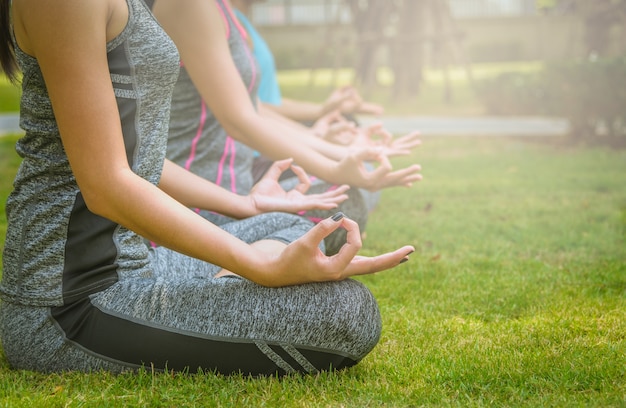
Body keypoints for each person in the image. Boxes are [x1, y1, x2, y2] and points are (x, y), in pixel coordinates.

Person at [0, 0, 414, 375]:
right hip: (68, 302)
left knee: (304, 219)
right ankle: (235, 280)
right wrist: (261, 268)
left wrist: (246, 204)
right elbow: (107, 184)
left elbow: (136, 157)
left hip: (137, 263)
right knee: (350, 313)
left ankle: (229, 281)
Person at [153, 0, 422, 254]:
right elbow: (240, 121)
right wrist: (333, 165)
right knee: (340, 209)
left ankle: (256, 257)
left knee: (342, 200)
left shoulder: (224, 11)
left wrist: (341, 154)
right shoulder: (190, 5)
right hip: (198, 209)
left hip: (238, 194)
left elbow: (255, 110)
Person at [232, 0, 385, 124]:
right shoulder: (234, 28)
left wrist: (331, 107)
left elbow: (269, 101)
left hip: (270, 126)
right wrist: (321, 112)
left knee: (345, 121)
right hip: (260, 142)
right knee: (344, 124)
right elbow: (253, 108)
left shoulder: (242, 22)